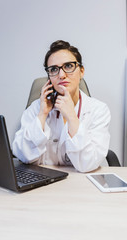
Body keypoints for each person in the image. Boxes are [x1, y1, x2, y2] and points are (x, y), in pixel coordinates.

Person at [12, 40, 111, 173]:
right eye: (54, 69)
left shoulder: (98, 110)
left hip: (79, 185)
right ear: (49, 77)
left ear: (81, 71)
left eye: (69, 66)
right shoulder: (37, 108)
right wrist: (42, 115)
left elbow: (88, 164)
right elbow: (22, 155)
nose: (61, 75)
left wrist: (71, 116)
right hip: (41, 182)